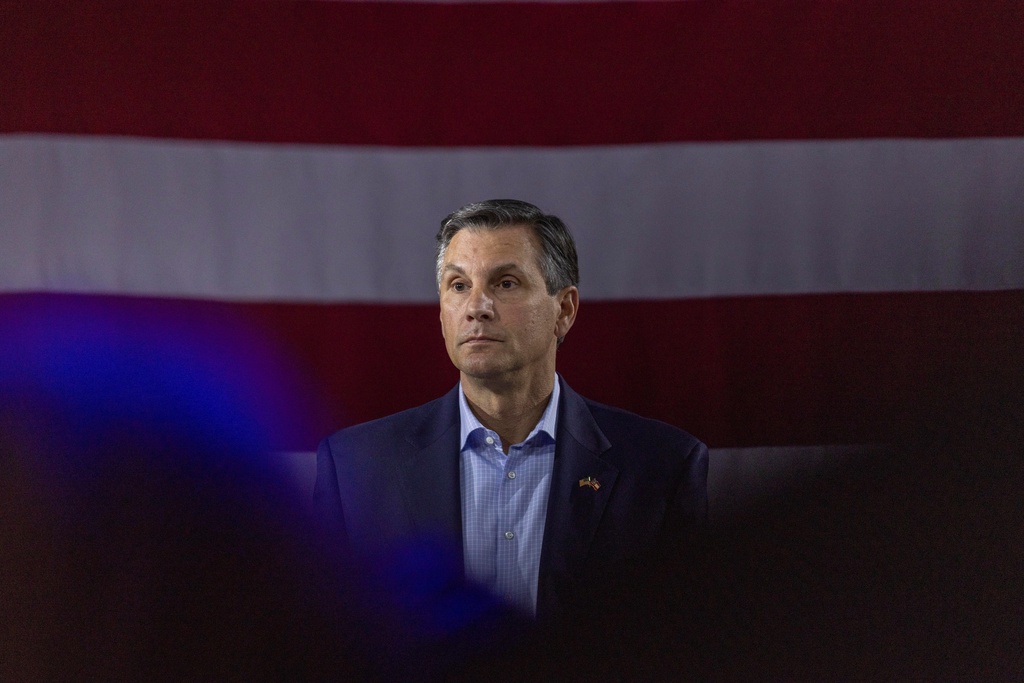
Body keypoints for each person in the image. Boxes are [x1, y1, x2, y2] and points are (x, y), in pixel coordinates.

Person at [315, 199, 708, 623]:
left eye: (505, 283)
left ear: (565, 310)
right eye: (458, 285)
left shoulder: (662, 465)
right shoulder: (356, 465)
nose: (476, 307)